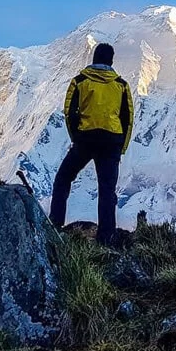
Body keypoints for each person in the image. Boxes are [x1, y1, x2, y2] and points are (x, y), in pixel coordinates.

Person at [49, 43, 134, 246]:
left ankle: (55, 225)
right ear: (111, 61)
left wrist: (76, 137)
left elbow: (69, 111)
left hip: (86, 138)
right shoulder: (121, 85)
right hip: (112, 140)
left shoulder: (80, 81)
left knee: (63, 179)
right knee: (107, 190)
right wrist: (121, 147)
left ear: (93, 58)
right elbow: (127, 118)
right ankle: (106, 238)